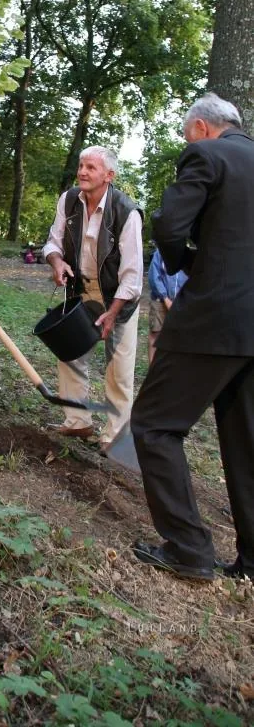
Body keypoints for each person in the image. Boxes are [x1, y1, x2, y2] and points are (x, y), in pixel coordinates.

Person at [131, 93, 254, 583]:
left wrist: (185, 265)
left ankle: (188, 549)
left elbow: (169, 224)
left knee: (155, 425)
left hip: (213, 316)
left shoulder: (207, 155)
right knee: (246, 442)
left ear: (201, 128)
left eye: (186, 134)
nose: (187, 141)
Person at [42, 146, 143, 450]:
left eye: (91, 168)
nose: (82, 172)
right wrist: (57, 262)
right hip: (80, 290)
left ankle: (114, 438)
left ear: (109, 176)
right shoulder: (69, 200)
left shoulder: (127, 212)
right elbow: (53, 243)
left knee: (119, 370)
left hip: (118, 297)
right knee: (69, 353)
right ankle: (77, 423)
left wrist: (113, 313)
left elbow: (133, 276)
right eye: (81, 165)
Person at [147, 246, 187, 363]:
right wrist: (165, 298)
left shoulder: (189, 254)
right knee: (156, 334)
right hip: (159, 301)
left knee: (179, 336)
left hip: (182, 303)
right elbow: (154, 277)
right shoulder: (160, 253)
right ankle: (152, 370)